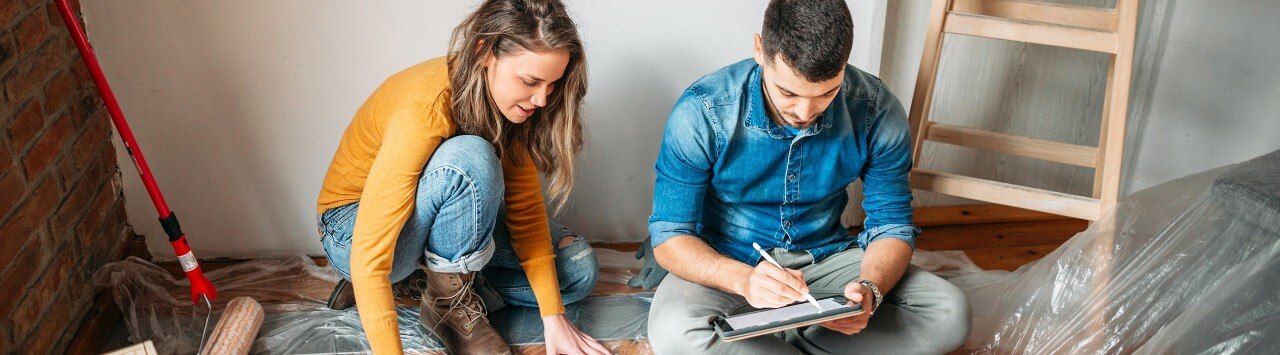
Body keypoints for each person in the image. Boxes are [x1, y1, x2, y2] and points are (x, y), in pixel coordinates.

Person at [645, 0, 971, 353]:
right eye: (788, 92)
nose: (805, 112)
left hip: (827, 258)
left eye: (827, 93)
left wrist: (870, 290)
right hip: (729, 263)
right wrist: (744, 279)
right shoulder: (703, 111)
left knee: (951, 313)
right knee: (673, 330)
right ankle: (811, 338)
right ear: (760, 50)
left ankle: (780, 336)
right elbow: (669, 235)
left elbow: (891, 225)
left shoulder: (875, 108)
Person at [315, 1, 609, 353]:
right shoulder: (424, 109)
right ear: (485, 51)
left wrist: (555, 320)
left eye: (552, 84)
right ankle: (442, 303)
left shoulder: (514, 105)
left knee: (578, 270)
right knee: (471, 157)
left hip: (440, 214)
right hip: (355, 230)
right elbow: (368, 253)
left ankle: (435, 282)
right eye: (531, 81)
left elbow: (526, 215)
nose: (542, 99)